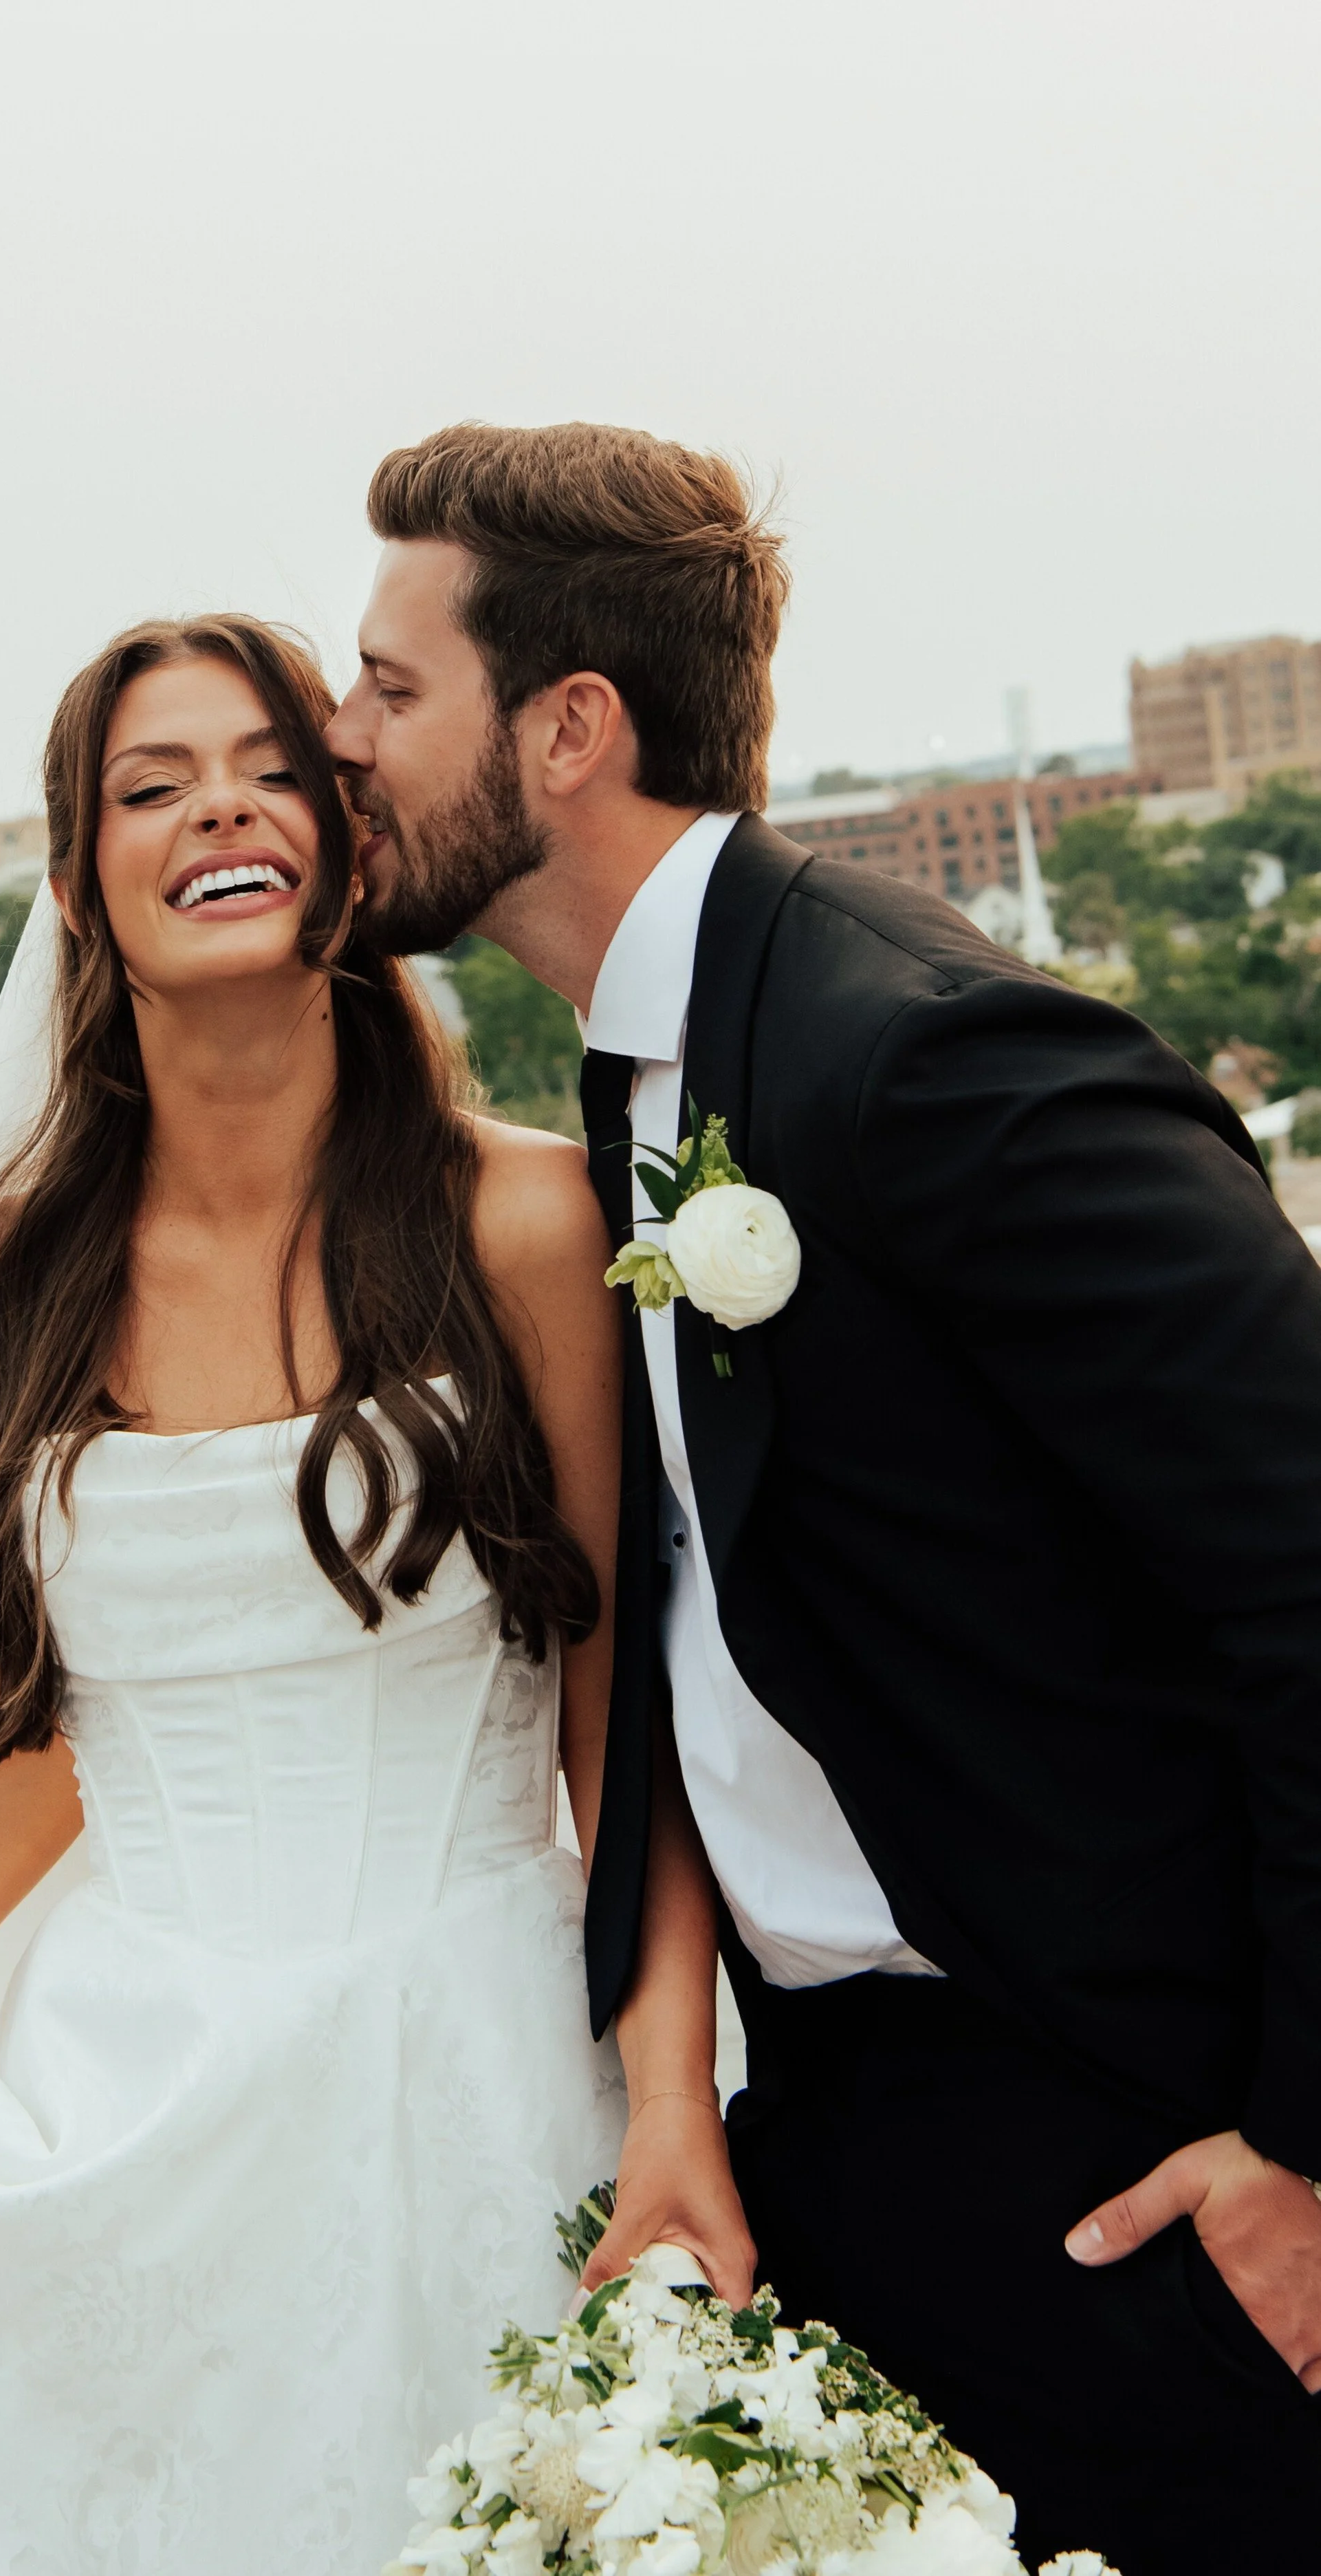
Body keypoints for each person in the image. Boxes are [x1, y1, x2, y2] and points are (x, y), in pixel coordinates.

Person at [326, 421, 1321, 2575]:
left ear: (569, 729)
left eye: (388, 687)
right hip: (856, 2139)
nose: (340, 740)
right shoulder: (654, 1067)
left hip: (1140, 2161)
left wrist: (1305, 2156)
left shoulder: (931, 1055)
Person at [0, 613, 752, 2575]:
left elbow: (625, 1728)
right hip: (139, 2086)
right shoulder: (25, 1269)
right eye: (152, 787)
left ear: (347, 849)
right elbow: (56, 1718)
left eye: (272, 771)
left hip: (478, 2061)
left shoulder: (526, 1220)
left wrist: (671, 2097)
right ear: (77, 882)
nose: (221, 814)